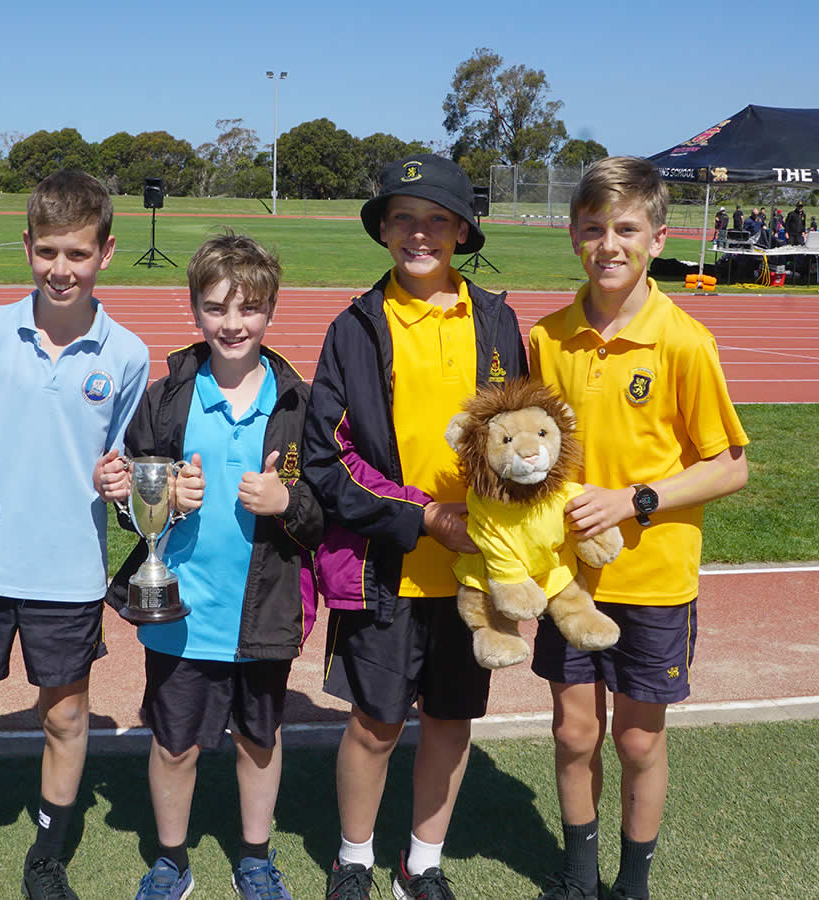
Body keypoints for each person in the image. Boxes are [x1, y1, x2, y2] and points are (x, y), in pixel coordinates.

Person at [303, 153, 529, 900]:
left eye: (437, 219)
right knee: (374, 724)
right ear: (384, 230)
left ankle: (420, 865)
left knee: (450, 721)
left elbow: (523, 436)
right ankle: (354, 857)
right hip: (387, 565)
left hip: (472, 573)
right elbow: (324, 458)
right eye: (404, 218)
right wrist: (422, 516)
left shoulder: (496, 320)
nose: (420, 234)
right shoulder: (356, 326)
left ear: (462, 230)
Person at [525, 157, 750, 900]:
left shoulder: (682, 341)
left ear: (658, 237)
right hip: (568, 581)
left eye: (626, 229)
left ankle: (633, 884)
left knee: (637, 738)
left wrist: (633, 501)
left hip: (654, 578)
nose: (609, 245)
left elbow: (729, 467)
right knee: (573, 733)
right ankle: (580, 877)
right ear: (573, 236)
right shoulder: (547, 339)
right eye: (594, 229)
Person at [0, 169, 150, 900]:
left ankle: (47, 856)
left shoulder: (128, 355)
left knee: (66, 719)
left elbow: (123, 467)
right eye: (48, 251)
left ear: (106, 253)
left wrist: (120, 488)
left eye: (77, 254)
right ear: (27, 246)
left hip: (67, 571)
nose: (62, 269)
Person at [107, 231, 322, 900]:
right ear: (195, 310)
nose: (233, 323)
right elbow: (132, 500)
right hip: (179, 612)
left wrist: (286, 500)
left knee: (261, 737)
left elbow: (322, 511)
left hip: (262, 608)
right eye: (217, 308)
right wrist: (160, 497)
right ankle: (172, 859)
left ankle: (255, 857)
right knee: (174, 744)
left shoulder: (298, 404)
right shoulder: (168, 396)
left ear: (271, 311)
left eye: (250, 308)